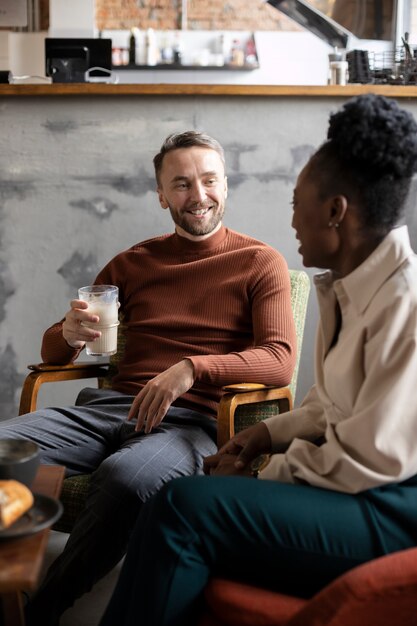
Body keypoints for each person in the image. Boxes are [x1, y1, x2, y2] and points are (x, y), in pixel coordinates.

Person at [98, 93, 417, 626]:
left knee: (182, 507)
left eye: (297, 203)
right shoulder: (350, 287)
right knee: (179, 509)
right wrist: (264, 437)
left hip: (389, 511)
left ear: (335, 212)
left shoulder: (403, 303)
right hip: (360, 493)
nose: (290, 220)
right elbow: (334, 406)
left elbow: (370, 464)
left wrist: (263, 480)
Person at [0, 131, 296, 625]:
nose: (197, 196)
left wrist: (190, 369)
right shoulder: (133, 263)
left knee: (126, 479)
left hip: (189, 424)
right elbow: (58, 350)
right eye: (181, 184)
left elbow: (279, 358)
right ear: (161, 195)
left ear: (226, 185)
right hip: (104, 411)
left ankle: (41, 610)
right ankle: (7, 587)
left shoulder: (260, 263)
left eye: (208, 180)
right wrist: (68, 332)